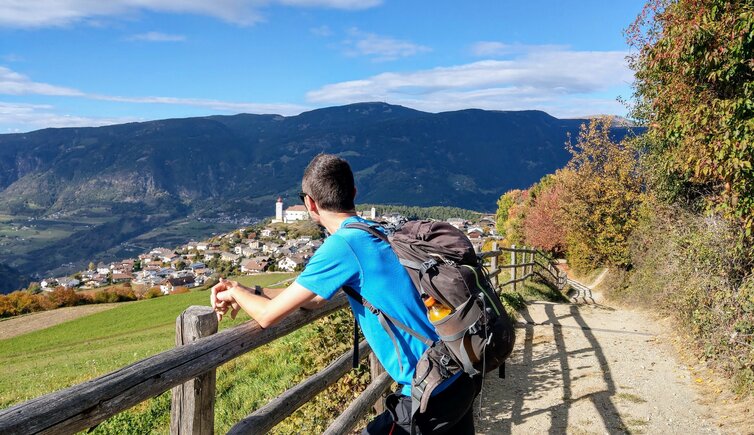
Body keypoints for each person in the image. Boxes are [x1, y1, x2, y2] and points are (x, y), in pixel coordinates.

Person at [211, 153, 480, 434]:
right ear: (353, 193)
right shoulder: (375, 231)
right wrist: (252, 291)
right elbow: (313, 298)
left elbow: (267, 316)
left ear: (309, 204)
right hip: (457, 373)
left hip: (428, 393)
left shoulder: (343, 245)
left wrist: (235, 290)